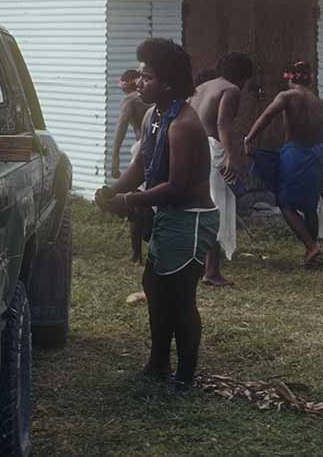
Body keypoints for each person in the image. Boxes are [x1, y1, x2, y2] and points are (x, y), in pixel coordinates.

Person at [95, 38, 218, 389]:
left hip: (190, 218)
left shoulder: (184, 125)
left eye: (146, 77)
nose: (139, 83)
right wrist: (113, 190)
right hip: (168, 216)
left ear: (166, 84)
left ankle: (185, 374)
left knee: (180, 296)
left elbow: (178, 186)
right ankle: (159, 361)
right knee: (154, 285)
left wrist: (130, 202)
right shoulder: (152, 115)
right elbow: (139, 167)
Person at [244, 61, 323, 267]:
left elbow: (267, 116)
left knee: (286, 204)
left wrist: (249, 138)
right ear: (310, 79)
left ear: (290, 78)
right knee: (310, 205)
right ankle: (312, 249)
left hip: (296, 153)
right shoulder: (319, 104)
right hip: (317, 154)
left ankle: (311, 247)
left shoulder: (287, 97)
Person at [189, 52, 253, 286]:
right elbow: (222, 124)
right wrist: (231, 156)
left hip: (191, 146)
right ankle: (212, 272)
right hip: (211, 148)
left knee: (196, 206)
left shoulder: (203, 86)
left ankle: (195, 266)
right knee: (218, 208)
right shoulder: (231, 90)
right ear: (243, 77)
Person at [111, 69, 152, 262]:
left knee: (135, 200)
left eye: (122, 83)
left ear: (129, 83)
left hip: (142, 151)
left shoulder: (131, 99)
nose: (120, 87)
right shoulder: (156, 95)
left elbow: (121, 126)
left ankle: (136, 255)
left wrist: (115, 156)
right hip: (160, 150)